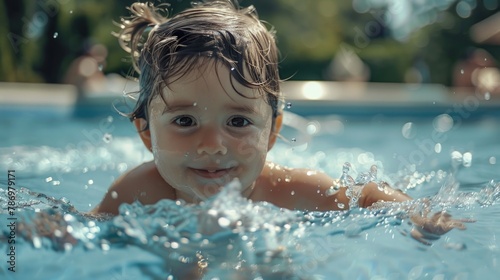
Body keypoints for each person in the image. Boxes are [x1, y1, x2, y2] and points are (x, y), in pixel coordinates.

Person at [91, 0, 469, 244]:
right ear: (145, 132)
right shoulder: (138, 189)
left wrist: (415, 212)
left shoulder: (289, 191)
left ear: (272, 132)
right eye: (185, 120)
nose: (212, 145)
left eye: (238, 121)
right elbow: (86, 229)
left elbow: (367, 196)